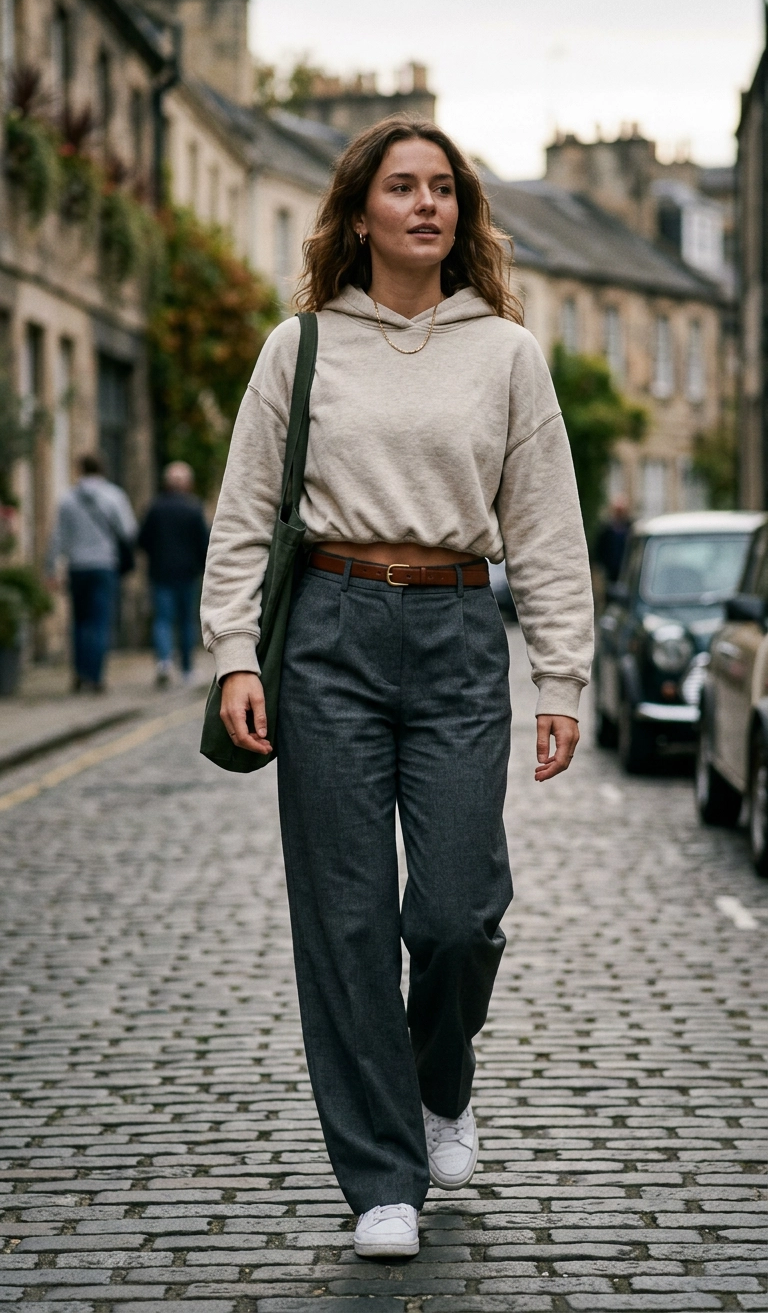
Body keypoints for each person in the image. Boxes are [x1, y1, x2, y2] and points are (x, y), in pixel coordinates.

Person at [201, 117, 594, 1259]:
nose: (426, 205)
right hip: (326, 631)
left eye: (444, 190)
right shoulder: (303, 344)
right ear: (360, 210)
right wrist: (237, 652)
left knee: (457, 912)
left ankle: (441, 1078)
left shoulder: (508, 354)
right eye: (401, 187)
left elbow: (549, 529)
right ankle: (383, 1173)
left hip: (462, 626)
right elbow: (241, 521)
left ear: (462, 215)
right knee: (350, 917)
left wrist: (561, 672)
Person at [47, 452, 137, 692]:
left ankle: (79, 673)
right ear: (102, 469)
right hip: (105, 566)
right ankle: (96, 677)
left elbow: (57, 537)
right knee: (100, 621)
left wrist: (50, 568)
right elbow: (129, 531)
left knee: (79, 621)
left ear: (80, 470)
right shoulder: (114, 496)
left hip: (77, 567)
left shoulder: (67, 499)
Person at [138, 461, 209, 686]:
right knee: (186, 621)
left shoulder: (155, 508)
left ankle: (164, 661)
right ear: (188, 484)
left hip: (161, 572)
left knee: (163, 619)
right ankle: (187, 669)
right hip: (187, 573)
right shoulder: (194, 508)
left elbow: (142, 540)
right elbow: (204, 544)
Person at [595, 495, 631, 583]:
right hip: (611, 569)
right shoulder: (606, 529)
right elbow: (600, 548)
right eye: (618, 511)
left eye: (621, 511)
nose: (620, 513)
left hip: (627, 568)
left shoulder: (630, 528)